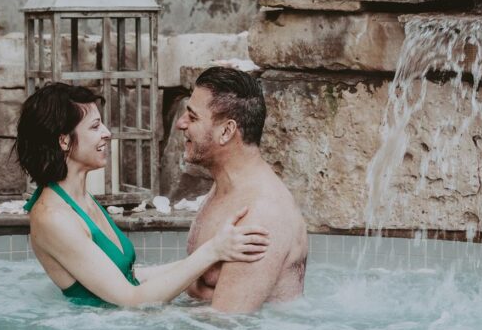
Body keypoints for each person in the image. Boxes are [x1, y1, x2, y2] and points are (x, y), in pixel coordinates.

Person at [16, 82, 271, 308]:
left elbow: (132, 277)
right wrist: (213, 251)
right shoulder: (53, 217)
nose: (107, 132)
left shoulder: (81, 199)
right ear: (63, 141)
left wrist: (209, 258)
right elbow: (131, 299)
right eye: (95, 126)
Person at [176, 67, 308, 313]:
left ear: (226, 131)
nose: (180, 123)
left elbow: (227, 327)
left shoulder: (261, 215)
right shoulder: (225, 187)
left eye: (193, 118)